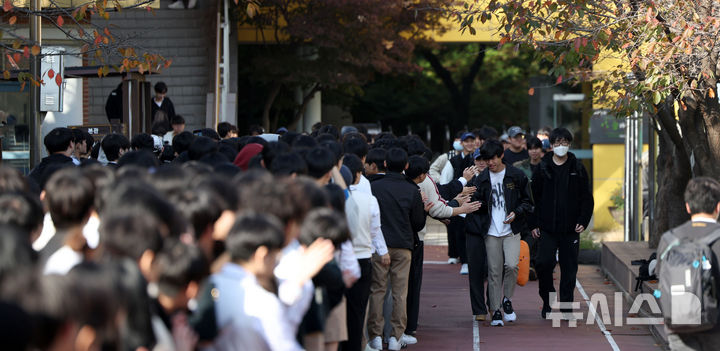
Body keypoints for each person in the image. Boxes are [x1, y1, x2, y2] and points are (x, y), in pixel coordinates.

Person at [209, 212, 304, 351]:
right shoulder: (263, 301)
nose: (275, 263)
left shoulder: (209, 285)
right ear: (262, 255)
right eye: (275, 256)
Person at [466, 139, 533, 326]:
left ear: (501, 155)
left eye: (494, 158)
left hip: (511, 229)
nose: (490, 162)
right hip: (491, 231)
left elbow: (528, 202)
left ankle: (507, 299)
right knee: (494, 271)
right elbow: (476, 203)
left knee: (511, 265)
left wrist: (516, 213)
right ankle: (496, 310)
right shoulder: (482, 179)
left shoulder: (516, 175)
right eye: (487, 159)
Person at [530, 127, 594, 319]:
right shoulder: (542, 167)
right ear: (551, 145)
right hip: (547, 227)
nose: (560, 146)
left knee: (569, 267)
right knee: (543, 263)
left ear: (569, 144)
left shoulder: (578, 168)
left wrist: (583, 220)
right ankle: (547, 301)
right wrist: (534, 223)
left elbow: (587, 198)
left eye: (564, 143)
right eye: (557, 143)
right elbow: (533, 198)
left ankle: (566, 306)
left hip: (570, 228)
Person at [368, 147, 427, 351]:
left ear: (385, 164)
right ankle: (395, 336)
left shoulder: (374, 187)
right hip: (403, 245)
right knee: (400, 293)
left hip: (379, 245)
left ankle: (375, 336)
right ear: (406, 166)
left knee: (377, 290)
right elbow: (418, 223)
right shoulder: (412, 190)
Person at [341, 154, 388, 351]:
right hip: (362, 258)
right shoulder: (369, 200)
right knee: (358, 311)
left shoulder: (332, 198)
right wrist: (381, 250)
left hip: (340, 259)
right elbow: (375, 230)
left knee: (338, 310)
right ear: (358, 175)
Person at [448, 132, 476, 273]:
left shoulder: (478, 158)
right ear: (462, 143)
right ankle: (464, 261)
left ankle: (472, 260)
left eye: (472, 141)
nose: (470, 143)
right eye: (467, 141)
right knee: (459, 231)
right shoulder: (453, 160)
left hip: (475, 197)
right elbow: (447, 179)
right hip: (458, 198)